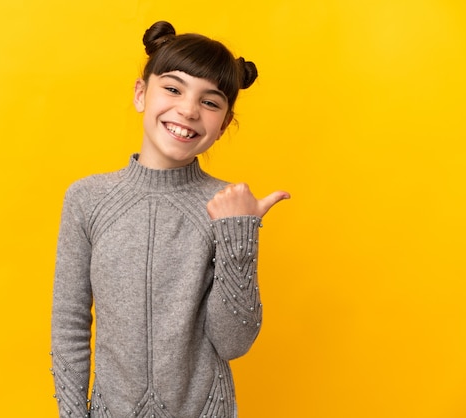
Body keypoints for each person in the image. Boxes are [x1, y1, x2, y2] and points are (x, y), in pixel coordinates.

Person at [50, 20, 290, 418]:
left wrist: (239, 235)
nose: (189, 110)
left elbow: (233, 343)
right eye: (173, 89)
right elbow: (69, 326)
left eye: (210, 102)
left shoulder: (227, 205)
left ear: (224, 123)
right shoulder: (87, 198)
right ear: (141, 94)